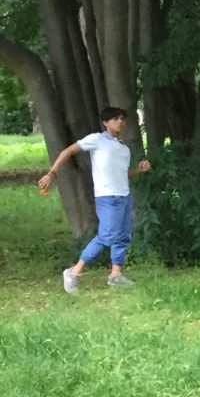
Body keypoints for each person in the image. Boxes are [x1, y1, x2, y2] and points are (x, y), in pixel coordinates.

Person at [38, 107, 151, 292]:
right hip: (107, 198)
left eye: (122, 119)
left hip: (124, 196)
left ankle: (116, 275)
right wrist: (52, 174)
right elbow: (67, 151)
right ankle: (73, 272)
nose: (120, 122)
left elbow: (122, 174)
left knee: (123, 236)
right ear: (105, 122)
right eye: (115, 119)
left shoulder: (123, 148)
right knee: (106, 236)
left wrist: (138, 170)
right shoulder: (96, 140)